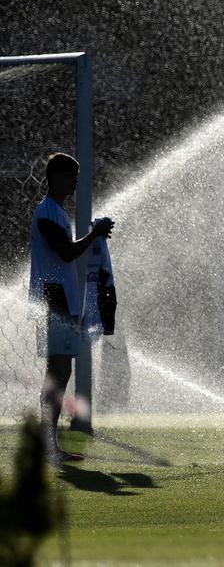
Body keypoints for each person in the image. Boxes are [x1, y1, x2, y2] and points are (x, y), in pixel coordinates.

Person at [29, 153, 114, 463]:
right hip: (54, 300)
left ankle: (47, 443)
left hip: (60, 299)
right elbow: (65, 253)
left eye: (76, 177)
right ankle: (47, 444)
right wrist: (94, 234)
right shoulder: (47, 213)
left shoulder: (56, 212)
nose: (74, 182)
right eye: (70, 176)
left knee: (59, 370)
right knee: (59, 370)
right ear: (55, 177)